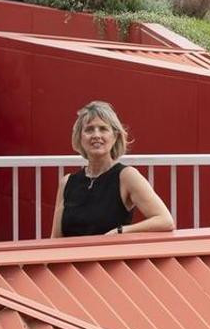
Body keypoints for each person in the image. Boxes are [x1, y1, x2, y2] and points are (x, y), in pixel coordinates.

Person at [51, 101, 173, 237]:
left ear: (115, 136)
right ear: (80, 138)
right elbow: (55, 238)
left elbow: (165, 220)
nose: (96, 135)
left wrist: (121, 231)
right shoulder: (67, 183)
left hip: (110, 256)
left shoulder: (126, 176)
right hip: (73, 257)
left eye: (103, 129)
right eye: (89, 129)